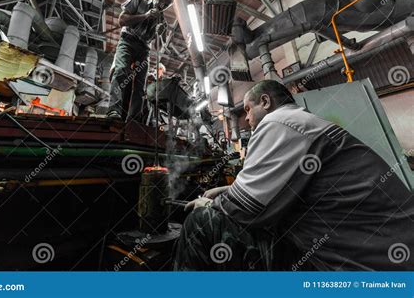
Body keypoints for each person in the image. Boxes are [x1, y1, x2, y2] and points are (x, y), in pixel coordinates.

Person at [174, 80, 414, 270]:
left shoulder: (279, 122)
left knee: (200, 223)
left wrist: (211, 203)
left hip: (364, 269)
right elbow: (289, 185)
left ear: (265, 102)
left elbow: (244, 209)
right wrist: (228, 189)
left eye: (248, 109)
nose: (246, 119)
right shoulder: (304, 121)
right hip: (389, 255)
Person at [107, 0, 174, 122]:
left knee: (140, 85)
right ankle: (114, 110)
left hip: (144, 49)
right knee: (121, 71)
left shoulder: (162, 21)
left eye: (166, 5)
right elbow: (122, 20)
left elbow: (160, 46)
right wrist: (145, 16)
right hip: (128, 41)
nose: (162, 5)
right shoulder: (138, 0)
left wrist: (161, 33)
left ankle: (134, 120)